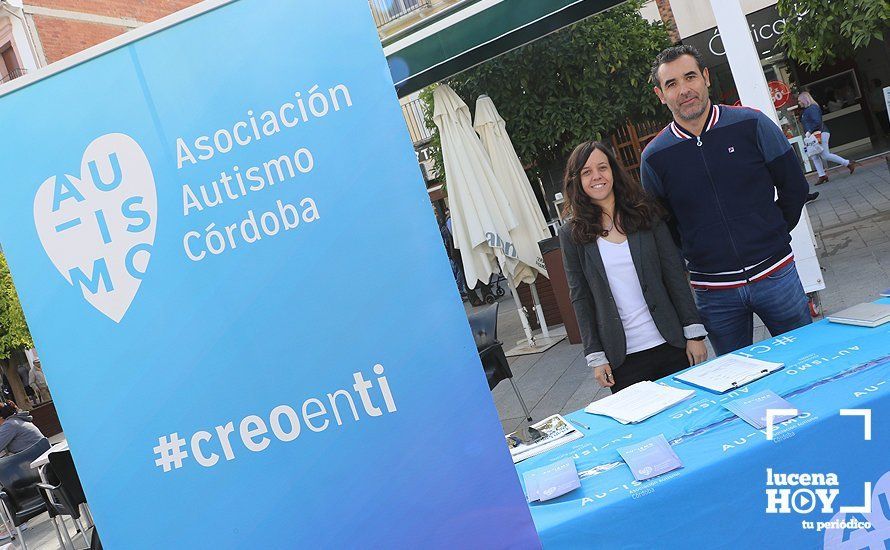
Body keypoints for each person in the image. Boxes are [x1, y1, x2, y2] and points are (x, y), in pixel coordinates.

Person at [641, 45, 813, 357]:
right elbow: (664, 229)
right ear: (660, 94)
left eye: (690, 77)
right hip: (715, 294)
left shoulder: (751, 124)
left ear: (706, 77)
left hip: (776, 275)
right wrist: (697, 256)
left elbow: (794, 187)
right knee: (738, 384)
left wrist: (771, 234)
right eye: (672, 84)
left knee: (806, 360)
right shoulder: (654, 158)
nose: (684, 90)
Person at [559, 141, 708, 392]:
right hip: (622, 359)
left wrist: (694, 334)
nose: (597, 176)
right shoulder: (572, 234)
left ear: (613, 172)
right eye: (586, 172)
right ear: (577, 181)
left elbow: (674, 274)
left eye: (602, 167)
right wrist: (595, 356)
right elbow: (580, 297)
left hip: (672, 344)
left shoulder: (646, 214)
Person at [798, 91, 858, 185]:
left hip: (818, 133)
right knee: (815, 155)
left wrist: (809, 131)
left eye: (800, 100)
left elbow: (817, 121)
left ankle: (847, 163)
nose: (799, 103)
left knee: (824, 155)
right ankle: (822, 175)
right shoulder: (810, 109)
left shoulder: (812, 108)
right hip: (817, 134)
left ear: (804, 100)